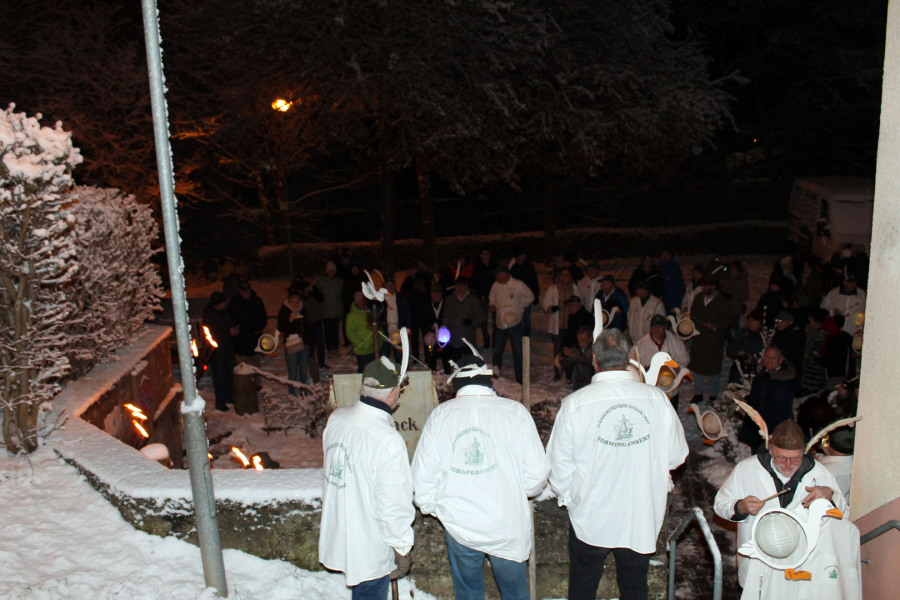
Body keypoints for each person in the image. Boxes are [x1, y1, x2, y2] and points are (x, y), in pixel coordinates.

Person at [547, 329, 688, 600]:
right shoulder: (657, 399)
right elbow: (677, 455)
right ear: (628, 358)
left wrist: (571, 499)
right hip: (639, 513)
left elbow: (558, 465)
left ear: (594, 359)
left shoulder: (575, 404)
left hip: (591, 515)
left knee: (582, 588)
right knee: (634, 588)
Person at [411, 352, 549, 600]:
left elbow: (422, 480)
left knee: (468, 594)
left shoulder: (441, 415)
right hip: (506, 525)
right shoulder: (514, 412)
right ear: (487, 381)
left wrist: (438, 508)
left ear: (457, 383)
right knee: (515, 594)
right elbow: (538, 473)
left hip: (460, 525)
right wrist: (520, 492)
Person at [319, 356, 415, 599]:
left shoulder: (337, 418)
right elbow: (393, 504)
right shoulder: (387, 441)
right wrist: (402, 547)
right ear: (393, 392)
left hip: (341, 531)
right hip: (370, 546)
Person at [714, 420, 849, 589]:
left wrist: (830, 495)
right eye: (781, 457)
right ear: (771, 450)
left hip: (800, 566)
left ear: (804, 452)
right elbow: (720, 504)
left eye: (795, 459)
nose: (788, 465)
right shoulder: (747, 469)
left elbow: (844, 515)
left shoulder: (819, 473)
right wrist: (740, 507)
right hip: (759, 564)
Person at [738, 346, 796, 451]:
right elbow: (758, 396)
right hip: (757, 429)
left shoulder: (783, 382)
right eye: (767, 357)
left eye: (773, 358)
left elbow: (783, 411)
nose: (769, 360)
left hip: (770, 432)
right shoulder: (763, 374)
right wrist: (746, 401)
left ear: (781, 360)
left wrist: (772, 434)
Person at [630, 314, 690, 409]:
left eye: (659, 326)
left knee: (671, 413)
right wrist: (643, 370)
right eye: (654, 326)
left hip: (671, 390)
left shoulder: (674, 342)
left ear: (665, 327)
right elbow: (632, 362)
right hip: (651, 390)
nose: (656, 329)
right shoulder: (641, 344)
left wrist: (678, 368)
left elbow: (684, 358)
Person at [688, 276, 732, 403]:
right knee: (697, 369)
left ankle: (713, 395)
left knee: (714, 371)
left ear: (714, 286)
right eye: (703, 285)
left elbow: (729, 321)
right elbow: (692, 315)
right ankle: (698, 393)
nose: (703, 288)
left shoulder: (722, 301)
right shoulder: (699, 298)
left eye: (706, 285)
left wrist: (714, 326)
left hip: (714, 342)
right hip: (698, 340)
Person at [489, 265, 535, 384]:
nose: (497, 277)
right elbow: (492, 297)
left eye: (499, 275)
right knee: (498, 350)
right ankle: (496, 372)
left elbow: (530, 297)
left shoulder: (518, 284)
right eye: (496, 275)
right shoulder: (496, 285)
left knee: (518, 350)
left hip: (515, 323)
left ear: (506, 274)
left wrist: (519, 306)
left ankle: (520, 377)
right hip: (500, 323)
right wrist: (492, 305)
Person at [202, 291, 238, 412]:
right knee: (219, 378)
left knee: (228, 375)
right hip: (217, 352)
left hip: (227, 349)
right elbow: (213, 332)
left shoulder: (224, 312)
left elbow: (227, 323)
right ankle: (220, 402)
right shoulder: (210, 315)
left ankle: (229, 397)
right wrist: (228, 332)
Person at [441, 276, 486, 369]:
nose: (460, 288)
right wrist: (444, 332)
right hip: (453, 340)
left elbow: (482, 317)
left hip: (468, 340)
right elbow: (445, 317)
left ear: (467, 286)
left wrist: (472, 322)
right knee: (456, 367)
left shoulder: (473, 300)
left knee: (469, 366)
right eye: (458, 285)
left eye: (462, 285)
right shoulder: (450, 299)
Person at [543, 267, 578, 381]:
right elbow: (545, 303)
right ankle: (557, 370)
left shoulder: (575, 289)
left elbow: (579, 302)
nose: (567, 277)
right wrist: (551, 308)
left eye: (568, 275)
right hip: (557, 326)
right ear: (560, 277)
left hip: (570, 325)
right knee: (557, 349)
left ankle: (569, 371)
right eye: (564, 275)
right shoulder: (553, 289)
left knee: (570, 349)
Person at [277, 292, 311, 396]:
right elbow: (281, 328)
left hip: (304, 344)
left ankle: (303, 393)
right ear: (289, 301)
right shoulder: (284, 311)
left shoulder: (304, 310)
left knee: (303, 371)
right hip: (291, 345)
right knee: (292, 372)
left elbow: (309, 328)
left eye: (297, 301)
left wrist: (310, 344)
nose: (295, 304)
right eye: (293, 301)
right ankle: (292, 394)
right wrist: (289, 321)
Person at [227, 279, 268, 359]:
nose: (247, 293)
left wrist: (255, 329)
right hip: (240, 341)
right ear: (239, 291)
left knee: (254, 363)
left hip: (254, 339)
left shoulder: (257, 301)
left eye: (248, 290)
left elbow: (263, 318)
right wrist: (237, 329)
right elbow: (230, 319)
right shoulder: (234, 303)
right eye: (244, 291)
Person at [726, 308, 765, 384]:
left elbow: (765, 357)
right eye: (749, 320)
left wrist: (753, 360)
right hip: (738, 371)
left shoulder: (763, 338)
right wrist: (737, 353)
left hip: (754, 373)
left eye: (754, 321)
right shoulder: (741, 333)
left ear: (760, 323)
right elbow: (730, 348)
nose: (751, 323)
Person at [771, 309, 805, 393]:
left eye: (781, 321)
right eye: (777, 320)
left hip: (789, 370)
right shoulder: (778, 333)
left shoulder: (795, 335)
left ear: (789, 322)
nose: (778, 323)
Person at [509, 249, 540, 337]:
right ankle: (517, 336)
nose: (522, 257)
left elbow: (534, 281)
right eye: (521, 256)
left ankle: (526, 337)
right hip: (516, 298)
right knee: (517, 318)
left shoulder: (529, 267)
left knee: (526, 318)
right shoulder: (514, 268)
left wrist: (536, 295)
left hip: (527, 297)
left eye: (523, 255)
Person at [471, 248, 497, 349]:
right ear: (481, 255)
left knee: (496, 320)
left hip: (494, 296)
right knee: (483, 320)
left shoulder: (493, 265)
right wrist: (481, 295)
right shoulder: (478, 267)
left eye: (488, 254)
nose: (487, 256)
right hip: (483, 297)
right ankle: (486, 341)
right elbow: (475, 283)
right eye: (485, 254)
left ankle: (495, 341)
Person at [318, 261, 345, 359]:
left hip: (337, 311)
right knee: (328, 332)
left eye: (333, 271)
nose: (331, 273)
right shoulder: (321, 282)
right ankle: (329, 349)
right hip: (326, 312)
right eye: (330, 271)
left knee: (336, 332)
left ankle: (336, 349)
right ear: (326, 271)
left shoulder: (339, 281)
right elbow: (318, 296)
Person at [346, 290, 377, 373]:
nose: (365, 302)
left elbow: (376, 326)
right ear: (358, 301)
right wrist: (361, 343)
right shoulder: (352, 315)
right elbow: (350, 332)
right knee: (364, 369)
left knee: (373, 369)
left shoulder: (370, 312)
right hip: (362, 350)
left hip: (373, 347)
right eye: (363, 300)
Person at [558, 325, 595, 391]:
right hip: (579, 383)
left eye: (583, 340)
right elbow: (569, 363)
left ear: (590, 339)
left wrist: (572, 355)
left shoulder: (593, 349)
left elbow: (587, 360)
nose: (580, 343)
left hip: (591, 383)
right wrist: (563, 358)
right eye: (579, 340)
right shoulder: (576, 348)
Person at [658, 249, 685, 315]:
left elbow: (670, 285)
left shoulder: (671, 267)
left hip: (671, 299)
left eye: (662, 254)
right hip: (670, 299)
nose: (661, 257)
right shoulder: (668, 266)